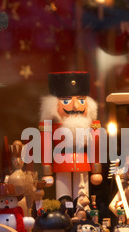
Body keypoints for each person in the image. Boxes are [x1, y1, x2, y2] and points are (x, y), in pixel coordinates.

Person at [36, 71, 103, 203]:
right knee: (63, 197)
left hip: (83, 162)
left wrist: (96, 168)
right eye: (66, 101)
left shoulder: (92, 125)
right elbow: (46, 146)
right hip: (62, 162)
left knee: (82, 196)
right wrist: (47, 170)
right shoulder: (50, 126)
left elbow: (95, 146)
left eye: (81, 100)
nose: (75, 106)